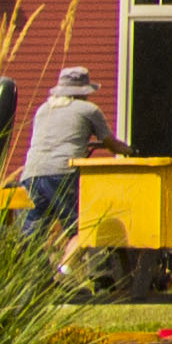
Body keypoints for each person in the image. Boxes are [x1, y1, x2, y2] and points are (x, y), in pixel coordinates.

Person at [19, 65, 117, 235]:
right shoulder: (88, 109)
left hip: (31, 173)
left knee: (31, 232)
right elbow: (110, 142)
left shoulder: (43, 109)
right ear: (84, 91)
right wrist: (130, 151)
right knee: (76, 229)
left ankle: (32, 261)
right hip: (62, 173)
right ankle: (69, 262)